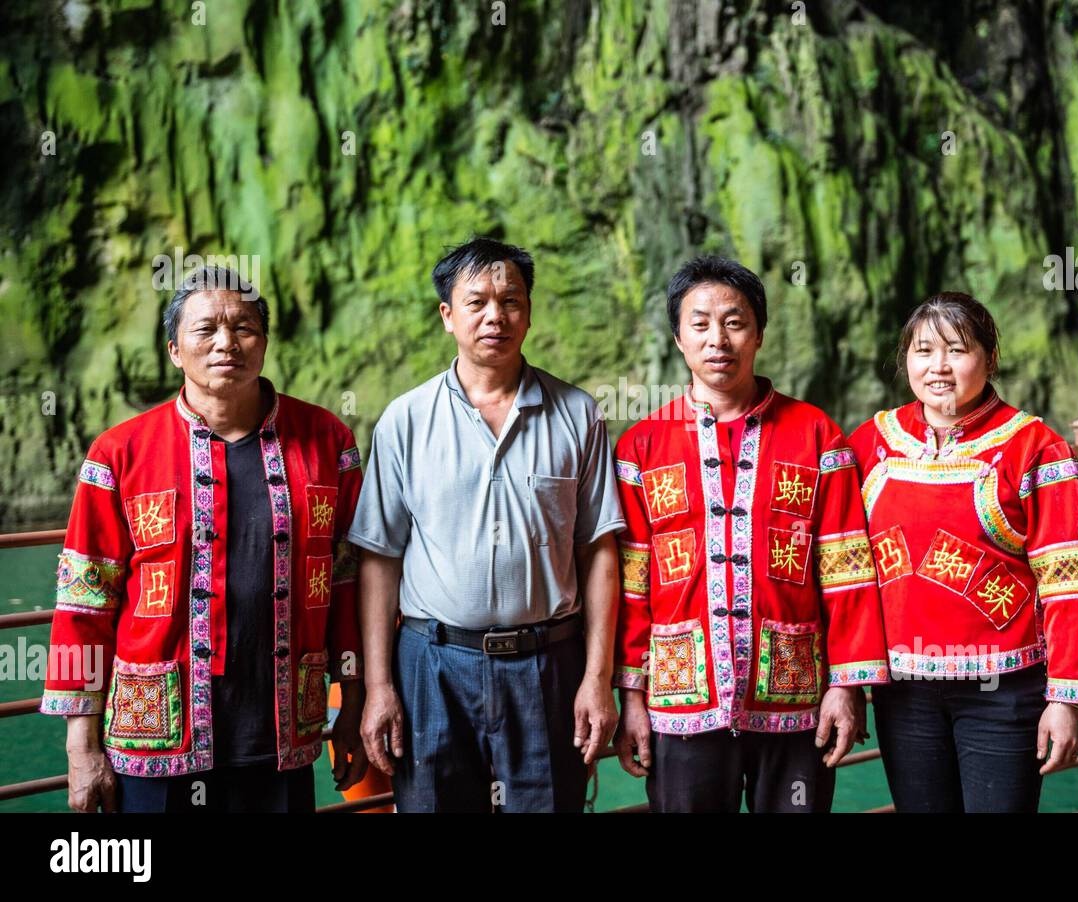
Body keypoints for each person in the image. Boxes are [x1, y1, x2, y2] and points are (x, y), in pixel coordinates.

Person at [41, 265, 368, 813]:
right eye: (205, 329)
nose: (226, 343)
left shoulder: (327, 442)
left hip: (283, 736)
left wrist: (353, 699)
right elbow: (84, 604)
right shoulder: (119, 453)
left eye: (243, 328)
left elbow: (349, 584)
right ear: (174, 349)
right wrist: (82, 746)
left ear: (263, 344)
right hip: (152, 737)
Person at [350, 237, 625, 813]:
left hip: (550, 663)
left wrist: (597, 679)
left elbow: (598, 551)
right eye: (476, 302)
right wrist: (378, 687)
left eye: (511, 301)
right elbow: (379, 558)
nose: (495, 316)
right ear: (448, 316)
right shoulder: (406, 420)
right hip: (433, 664)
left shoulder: (577, 415)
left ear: (528, 312)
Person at [611, 256, 889, 813]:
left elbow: (847, 571)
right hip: (679, 701)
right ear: (678, 337)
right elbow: (632, 585)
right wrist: (632, 698)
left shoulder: (817, 436)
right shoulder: (641, 448)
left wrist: (846, 686)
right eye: (701, 323)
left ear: (758, 333)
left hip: (795, 698)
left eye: (734, 322)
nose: (718, 339)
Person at [847, 291, 1078, 813]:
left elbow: (1071, 579)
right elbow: (841, 570)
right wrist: (848, 680)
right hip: (903, 691)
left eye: (956, 350)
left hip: (1004, 691)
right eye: (923, 351)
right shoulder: (870, 444)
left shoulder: (1034, 447)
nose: (938, 367)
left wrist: (1066, 699)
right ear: (906, 361)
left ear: (989, 358)